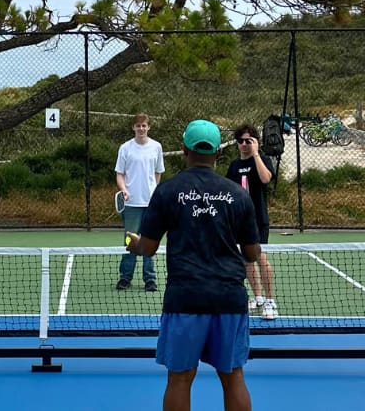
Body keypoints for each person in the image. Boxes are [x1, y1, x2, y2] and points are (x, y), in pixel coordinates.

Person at [126, 119, 260, 411]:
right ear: (219, 154)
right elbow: (252, 254)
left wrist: (131, 243)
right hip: (229, 298)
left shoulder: (166, 192)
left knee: (180, 379)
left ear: (184, 149)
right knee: (233, 376)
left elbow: (147, 248)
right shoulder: (238, 195)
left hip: (184, 299)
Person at [224, 124, 278, 320]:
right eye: (241, 141)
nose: (244, 144)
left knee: (260, 258)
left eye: (249, 141)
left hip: (258, 220)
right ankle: (258, 297)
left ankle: (271, 301)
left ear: (255, 142)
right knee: (246, 260)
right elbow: (228, 193)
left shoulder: (262, 160)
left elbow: (265, 179)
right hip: (239, 222)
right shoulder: (234, 166)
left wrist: (255, 155)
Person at [114, 113, 165, 291]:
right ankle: (125, 278)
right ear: (133, 128)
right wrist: (124, 189)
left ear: (148, 127)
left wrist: (154, 192)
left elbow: (158, 172)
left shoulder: (156, 147)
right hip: (131, 205)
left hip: (151, 204)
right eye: (138, 126)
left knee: (149, 240)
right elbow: (119, 173)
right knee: (130, 241)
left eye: (144, 126)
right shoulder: (125, 148)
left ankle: (150, 279)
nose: (141, 129)